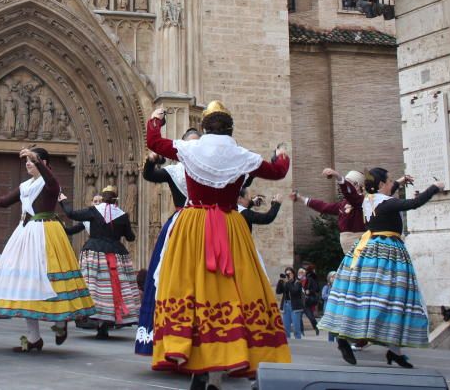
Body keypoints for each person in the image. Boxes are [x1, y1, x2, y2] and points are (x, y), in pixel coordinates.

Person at [145, 102, 291, 388]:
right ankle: (216, 371)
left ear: (204, 127)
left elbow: (154, 142)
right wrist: (282, 155)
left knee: (190, 287)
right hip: (229, 225)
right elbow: (277, 172)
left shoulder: (190, 150)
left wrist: (156, 119)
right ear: (230, 128)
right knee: (230, 290)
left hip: (193, 225)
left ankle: (191, 357)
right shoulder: (242, 156)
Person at [319, 167, 442, 368]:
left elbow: (353, 193)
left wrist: (400, 181)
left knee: (377, 297)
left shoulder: (368, 200)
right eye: (390, 180)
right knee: (390, 298)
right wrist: (435, 187)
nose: (392, 183)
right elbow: (414, 203)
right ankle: (349, 339)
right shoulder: (387, 203)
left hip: (368, 249)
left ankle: (393, 351)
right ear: (382, 185)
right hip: (387, 254)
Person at [0, 147, 95, 352]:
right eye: (26, 160)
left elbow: (52, 181)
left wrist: (38, 161)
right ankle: (34, 338)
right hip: (25, 234)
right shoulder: (25, 186)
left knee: (52, 281)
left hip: (46, 234)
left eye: (31, 160)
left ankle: (61, 322)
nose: (27, 163)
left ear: (43, 163)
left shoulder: (51, 184)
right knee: (27, 285)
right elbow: (6, 201)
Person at [135, 132, 195, 357]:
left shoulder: (210, 168)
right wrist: (150, 160)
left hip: (208, 223)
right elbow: (150, 175)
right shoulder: (175, 171)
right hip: (181, 226)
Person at [60, 183, 138, 339]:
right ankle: (105, 325)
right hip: (116, 253)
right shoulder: (122, 215)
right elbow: (130, 237)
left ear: (102, 198)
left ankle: (95, 320)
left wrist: (62, 200)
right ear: (116, 199)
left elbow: (71, 213)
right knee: (112, 289)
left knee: (95, 287)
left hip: (95, 252)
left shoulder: (94, 211)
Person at [291, 168, 367, 253]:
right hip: (347, 246)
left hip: (359, 243)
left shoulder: (362, 201)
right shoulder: (344, 203)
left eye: (347, 182)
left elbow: (351, 195)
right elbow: (324, 207)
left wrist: (338, 176)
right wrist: (300, 198)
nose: (344, 186)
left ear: (357, 185)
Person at [297, 266, 320, 335]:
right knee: (299, 318)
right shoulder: (296, 281)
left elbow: (316, 289)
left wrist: (310, 291)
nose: (300, 273)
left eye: (302, 272)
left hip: (306, 302)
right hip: (298, 302)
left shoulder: (309, 280)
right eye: (299, 272)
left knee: (311, 317)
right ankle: (301, 331)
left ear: (304, 273)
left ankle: (316, 327)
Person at [321, 272, 337, 342]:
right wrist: (333, 296)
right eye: (332, 277)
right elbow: (323, 296)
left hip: (337, 310)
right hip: (329, 309)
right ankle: (331, 342)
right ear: (329, 278)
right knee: (330, 327)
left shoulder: (339, 287)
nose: (334, 278)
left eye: (335, 277)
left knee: (336, 327)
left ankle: (338, 342)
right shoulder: (326, 287)